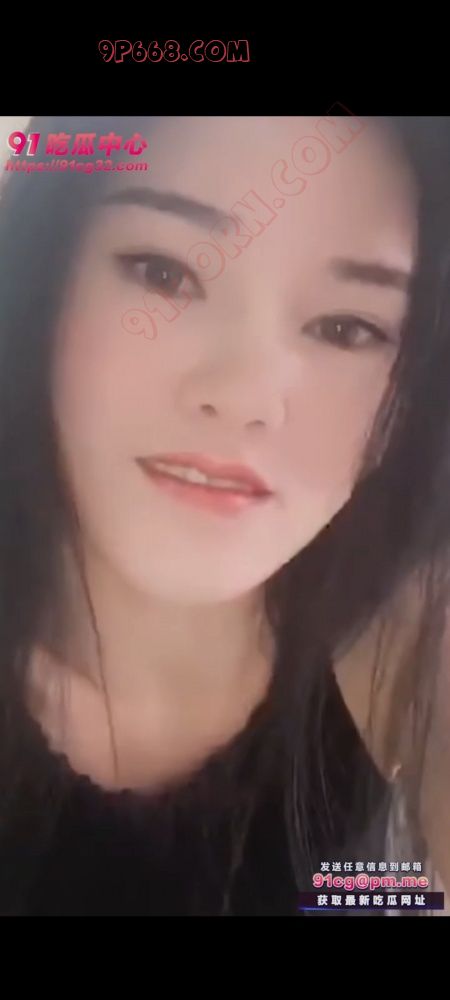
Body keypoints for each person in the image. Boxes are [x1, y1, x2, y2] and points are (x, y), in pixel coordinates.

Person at [0, 115, 448, 916]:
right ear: (45, 269)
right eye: (164, 273)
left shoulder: (398, 685)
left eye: (347, 328)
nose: (243, 395)